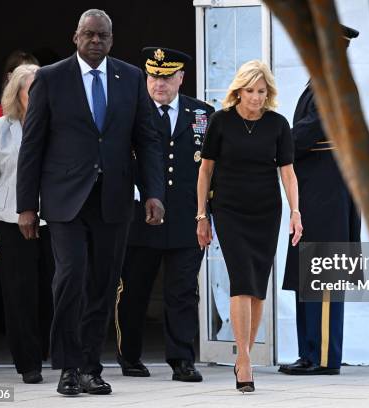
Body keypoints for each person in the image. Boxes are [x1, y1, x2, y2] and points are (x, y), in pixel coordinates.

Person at [16, 9, 165, 396]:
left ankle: (89, 367)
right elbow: (32, 146)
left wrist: (153, 193)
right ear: (75, 37)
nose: (95, 41)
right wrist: (26, 205)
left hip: (114, 199)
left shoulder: (131, 79)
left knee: (103, 284)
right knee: (70, 278)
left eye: (102, 36)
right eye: (89, 35)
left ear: (112, 40)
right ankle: (67, 367)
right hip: (65, 200)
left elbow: (147, 139)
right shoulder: (50, 79)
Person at [196, 60, 302, 393]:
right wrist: (202, 215)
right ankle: (243, 358)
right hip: (229, 210)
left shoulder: (278, 125)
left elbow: (288, 173)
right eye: (250, 91)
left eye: (261, 91)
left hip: (266, 212)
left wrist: (295, 211)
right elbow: (205, 171)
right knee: (242, 279)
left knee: (257, 286)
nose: (256, 98)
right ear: (238, 91)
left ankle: (246, 354)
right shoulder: (220, 121)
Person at [115, 47, 214, 382]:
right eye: (154, 75)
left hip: (187, 218)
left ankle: (182, 359)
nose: (159, 82)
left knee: (183, 291)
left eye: (167, 76)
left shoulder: (202, 114)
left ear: (181, 78)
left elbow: (214, 170)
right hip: (140, 219)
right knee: (134, 291)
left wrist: (207, 214)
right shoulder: (129, 112)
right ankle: (129, 356)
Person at [279, 25, 361, 376]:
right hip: (316, 194)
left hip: (328, 195)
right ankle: (309, 352)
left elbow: (308, 132)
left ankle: (324, 357)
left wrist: (270, 141)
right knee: (307, 276)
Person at [0, 64, 54, 384]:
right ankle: (28, 362)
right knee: (19, 293)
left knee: (54, 290)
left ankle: (55, 352)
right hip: (8, 220)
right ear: (16, 94)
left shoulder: (58, 126)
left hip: (53, 219)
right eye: (30, 90)